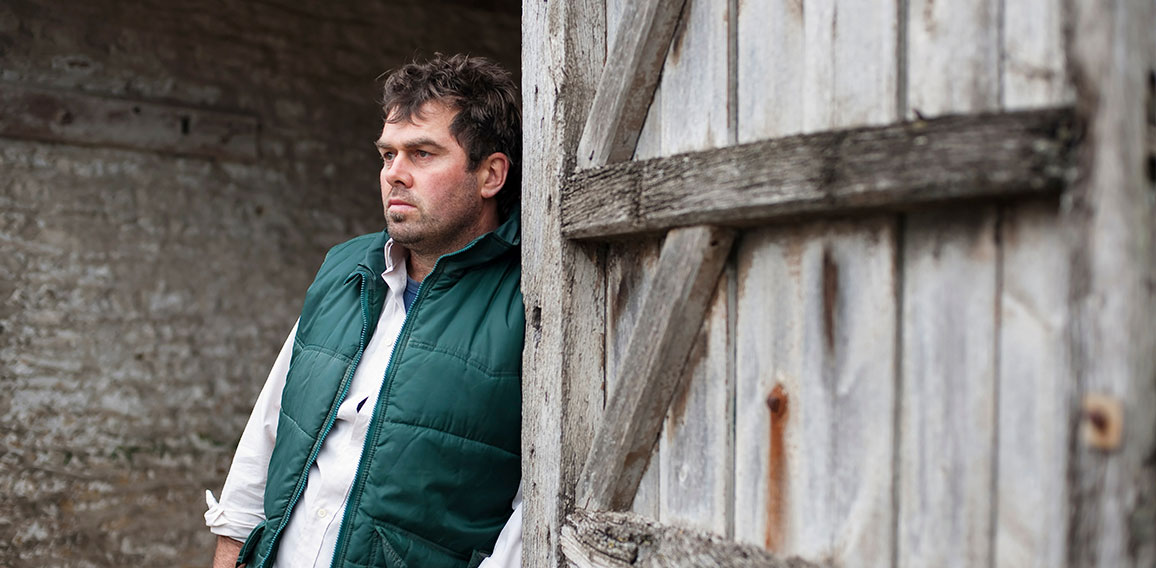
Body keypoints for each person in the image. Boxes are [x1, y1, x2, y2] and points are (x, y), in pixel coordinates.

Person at [205, 54, 524, 568]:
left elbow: (535, 512)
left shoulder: (530, 302)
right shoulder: (344, 269)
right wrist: (230, 549)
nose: (395, 174)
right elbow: (269, 430)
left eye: (422, 154)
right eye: (387, 155)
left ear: (490, 174)